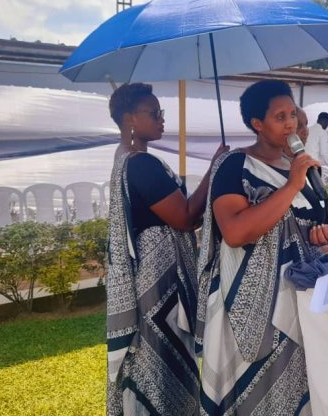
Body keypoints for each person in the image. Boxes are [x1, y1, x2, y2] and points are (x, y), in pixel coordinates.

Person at [196, 80, 328, 415]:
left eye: (293, 115)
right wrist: (292, 185)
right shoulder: (235, 165)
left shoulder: (300, 167)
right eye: (279, 117)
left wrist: (323, 237)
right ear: (257, 123)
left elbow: (314, 224)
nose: (291, 125)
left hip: (301, 300)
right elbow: (235, 232)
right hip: (251, 309)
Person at [106, 82, 227, 416]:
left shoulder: (123, 158)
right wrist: (215, 168)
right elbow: (185, 217)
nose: (162, 119)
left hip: (154, 279)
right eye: (154, 113)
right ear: (129, 119)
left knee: (160, 358)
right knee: (161, 358)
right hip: (159, 286)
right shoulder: (140, 164)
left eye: (161, 112)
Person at [305, 111, 328, 179]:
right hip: (313, 166)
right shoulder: (323, 133)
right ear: (326, 122)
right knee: (316, 185)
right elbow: (324, 153)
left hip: (302, 164)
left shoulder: (307, 129)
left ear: (318, 120)